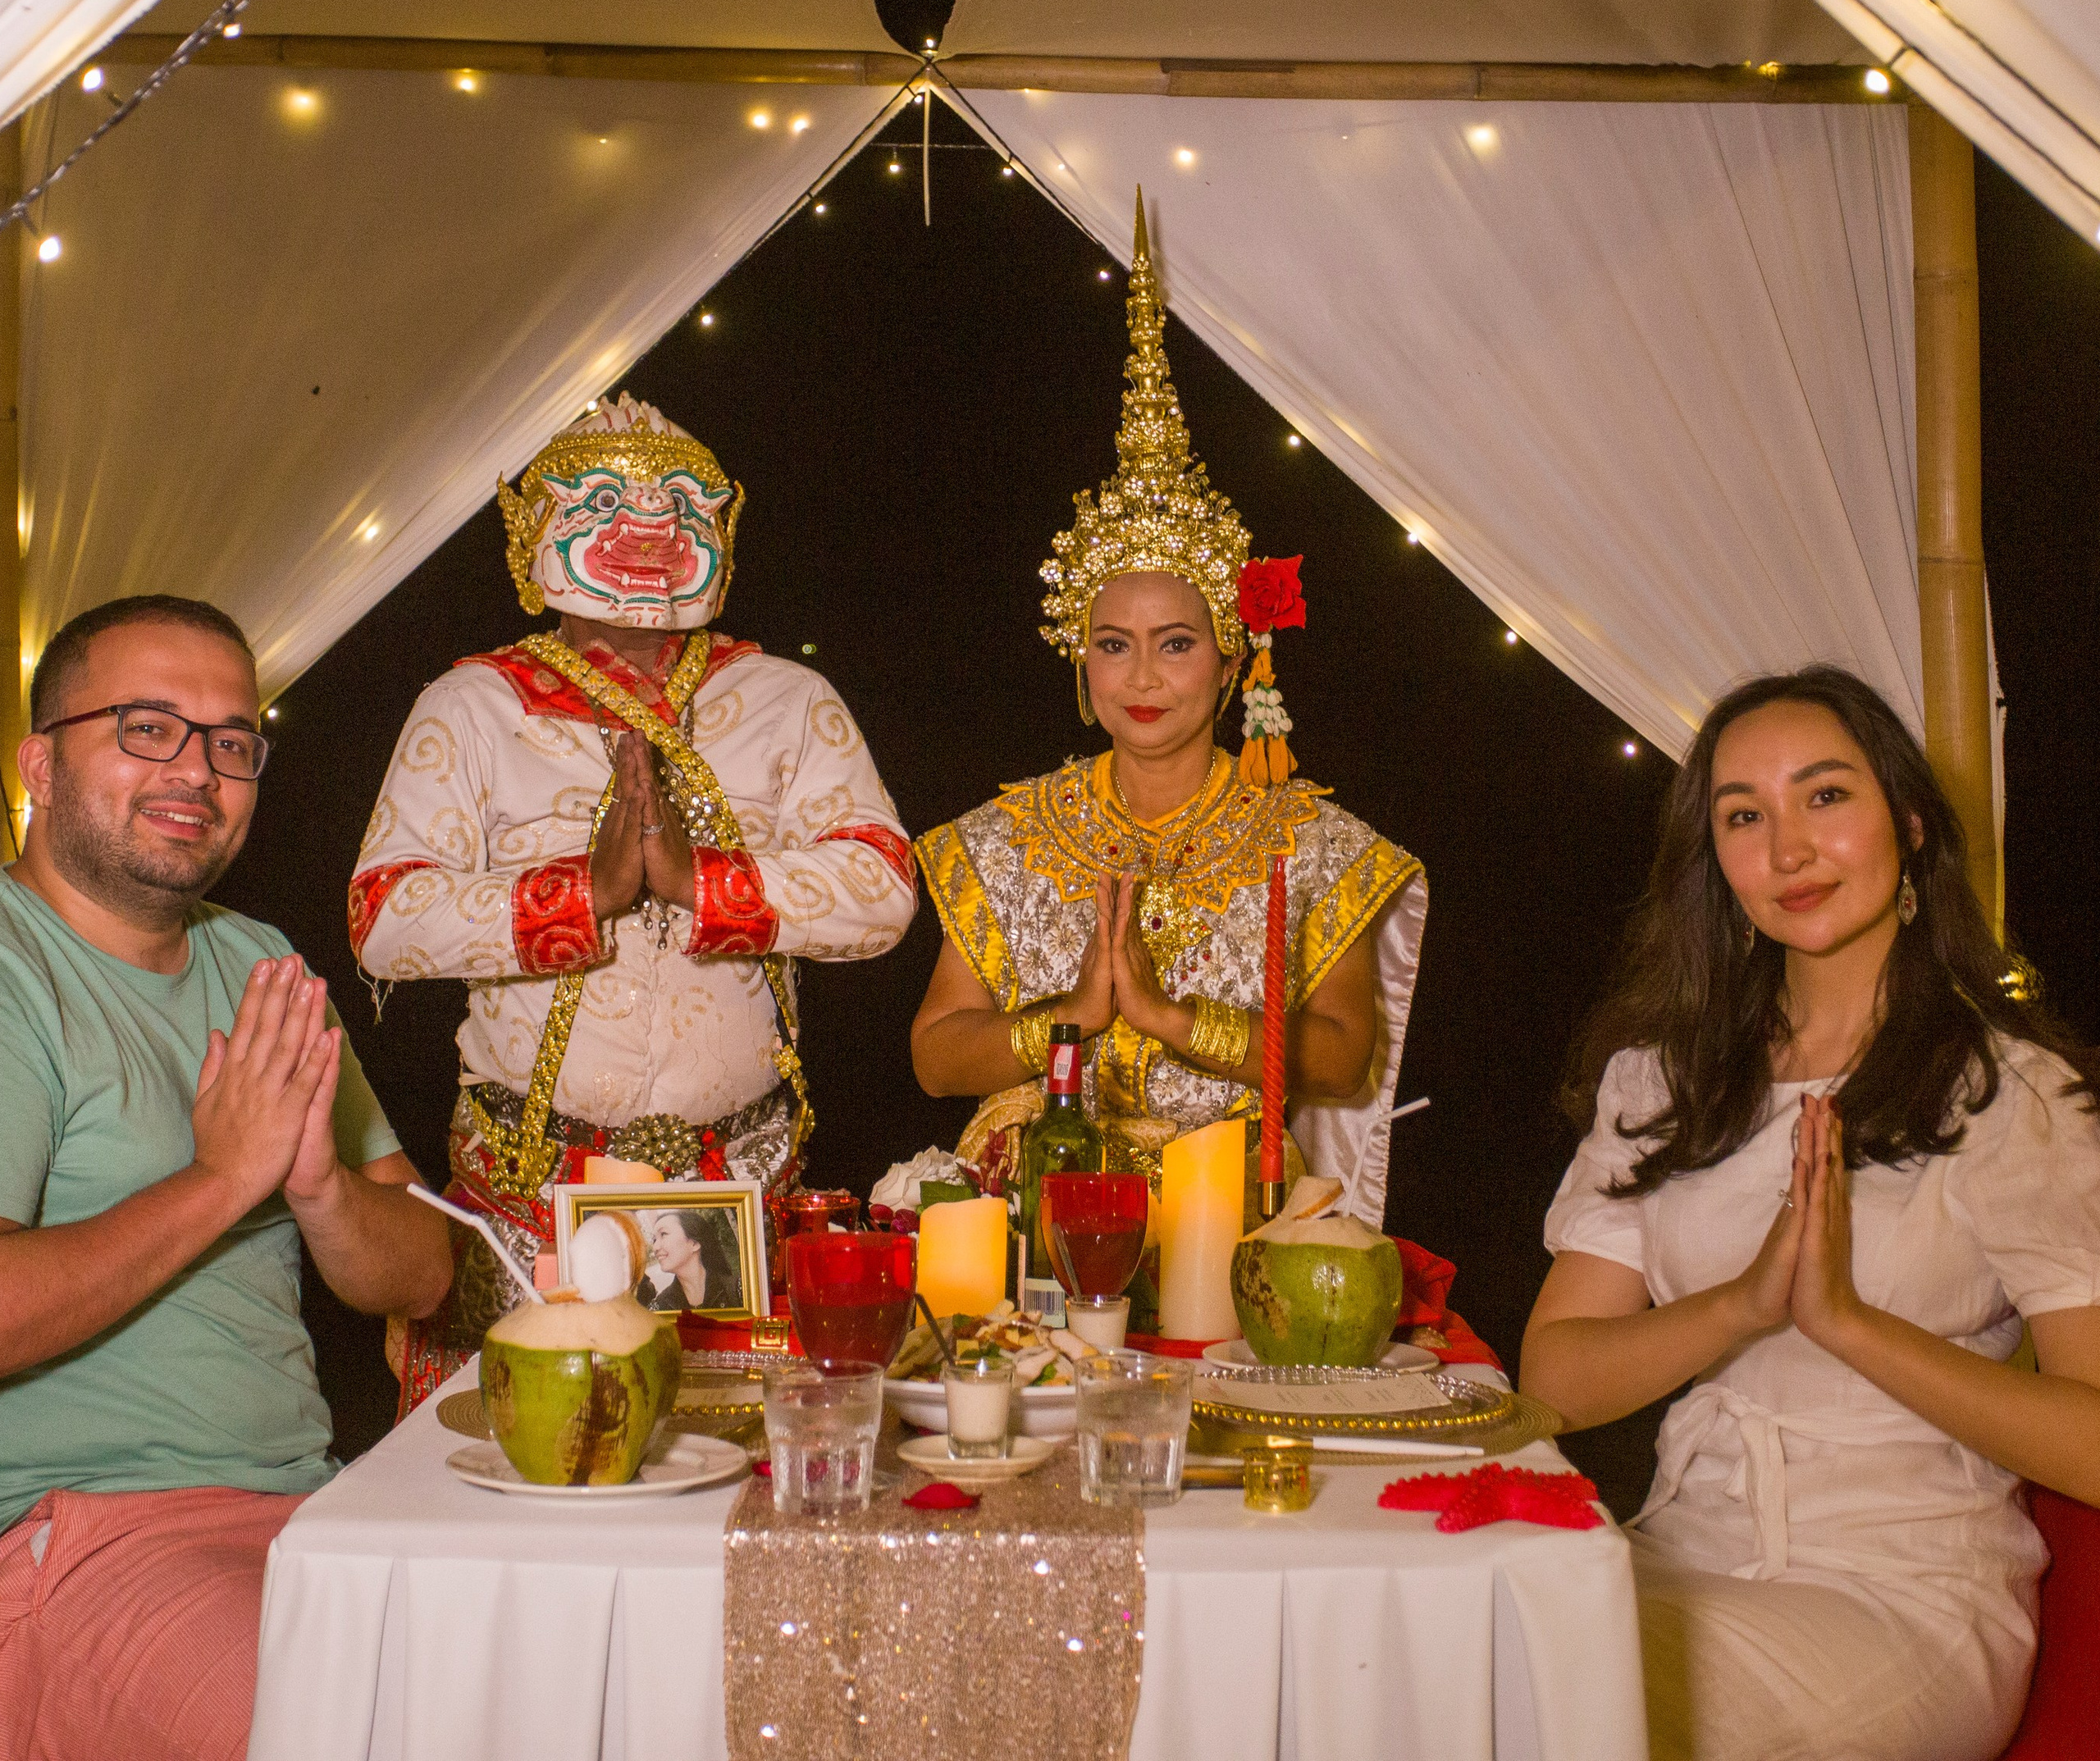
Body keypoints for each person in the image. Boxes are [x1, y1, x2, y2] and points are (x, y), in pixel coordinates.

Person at [1520, 665, 2100, 1761]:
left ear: (1910, 825)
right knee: (1460, 1656)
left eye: (1825, 796)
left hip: (1902, 1596)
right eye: (1745, 816)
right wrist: (1742, 1306)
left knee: (1579, 1712)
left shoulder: (2010, 1096)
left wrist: (1848, 1324)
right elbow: (1554, 1378)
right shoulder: (1665, 1079)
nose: (1788, 850)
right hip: (1676, 1555)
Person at [354, 394, 915, 1407]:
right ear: (533, 536)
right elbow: (384, 917)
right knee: (532, 1459)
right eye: (607, 504)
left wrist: (703, 883)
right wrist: (586, 893)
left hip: (741, 1182)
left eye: (680, 506)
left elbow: (884, 889)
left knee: (732, 1462)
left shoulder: (786, 699)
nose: (650, 529)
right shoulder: (474, 706)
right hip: (529, 1190)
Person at [910, 195, 1427, 1230]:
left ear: (1232, 660)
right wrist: (1070, 1019)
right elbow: (935, 1055)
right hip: (1028, 1206)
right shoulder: (1005, 835)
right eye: (1113, 644)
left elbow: (1341, 1056)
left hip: (1223, 1208)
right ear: (1080, 659)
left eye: (1176, 643)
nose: (1142, 676)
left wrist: (1167, 1017)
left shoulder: (1311, 842)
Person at [0, 595, 451, 1761]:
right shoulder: (13, 969)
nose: (198, 770)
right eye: (147, 728)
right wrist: (221, 1177)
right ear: (40, 765)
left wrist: (318, 1187)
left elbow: (422, 1267)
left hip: (315, 1508)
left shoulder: (257, 960)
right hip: (78, 1533)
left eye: (232, 741)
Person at [641, 1207, 738, 1312]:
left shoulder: (739, 1291)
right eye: (654, 1240)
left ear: (694, 1243)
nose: (655, 1247)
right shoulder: (659, 1308)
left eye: (664, 1234)